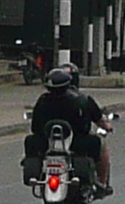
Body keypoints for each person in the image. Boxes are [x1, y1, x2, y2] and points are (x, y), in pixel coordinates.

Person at [24, 64, 112, 195]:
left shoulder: (42, 101)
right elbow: (100, 120)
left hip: (46, 144)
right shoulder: (82, 99)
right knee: (102, 145)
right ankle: (102, 182)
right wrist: (107, 126)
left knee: (30, 141)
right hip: (78, 143)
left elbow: (35, 128)